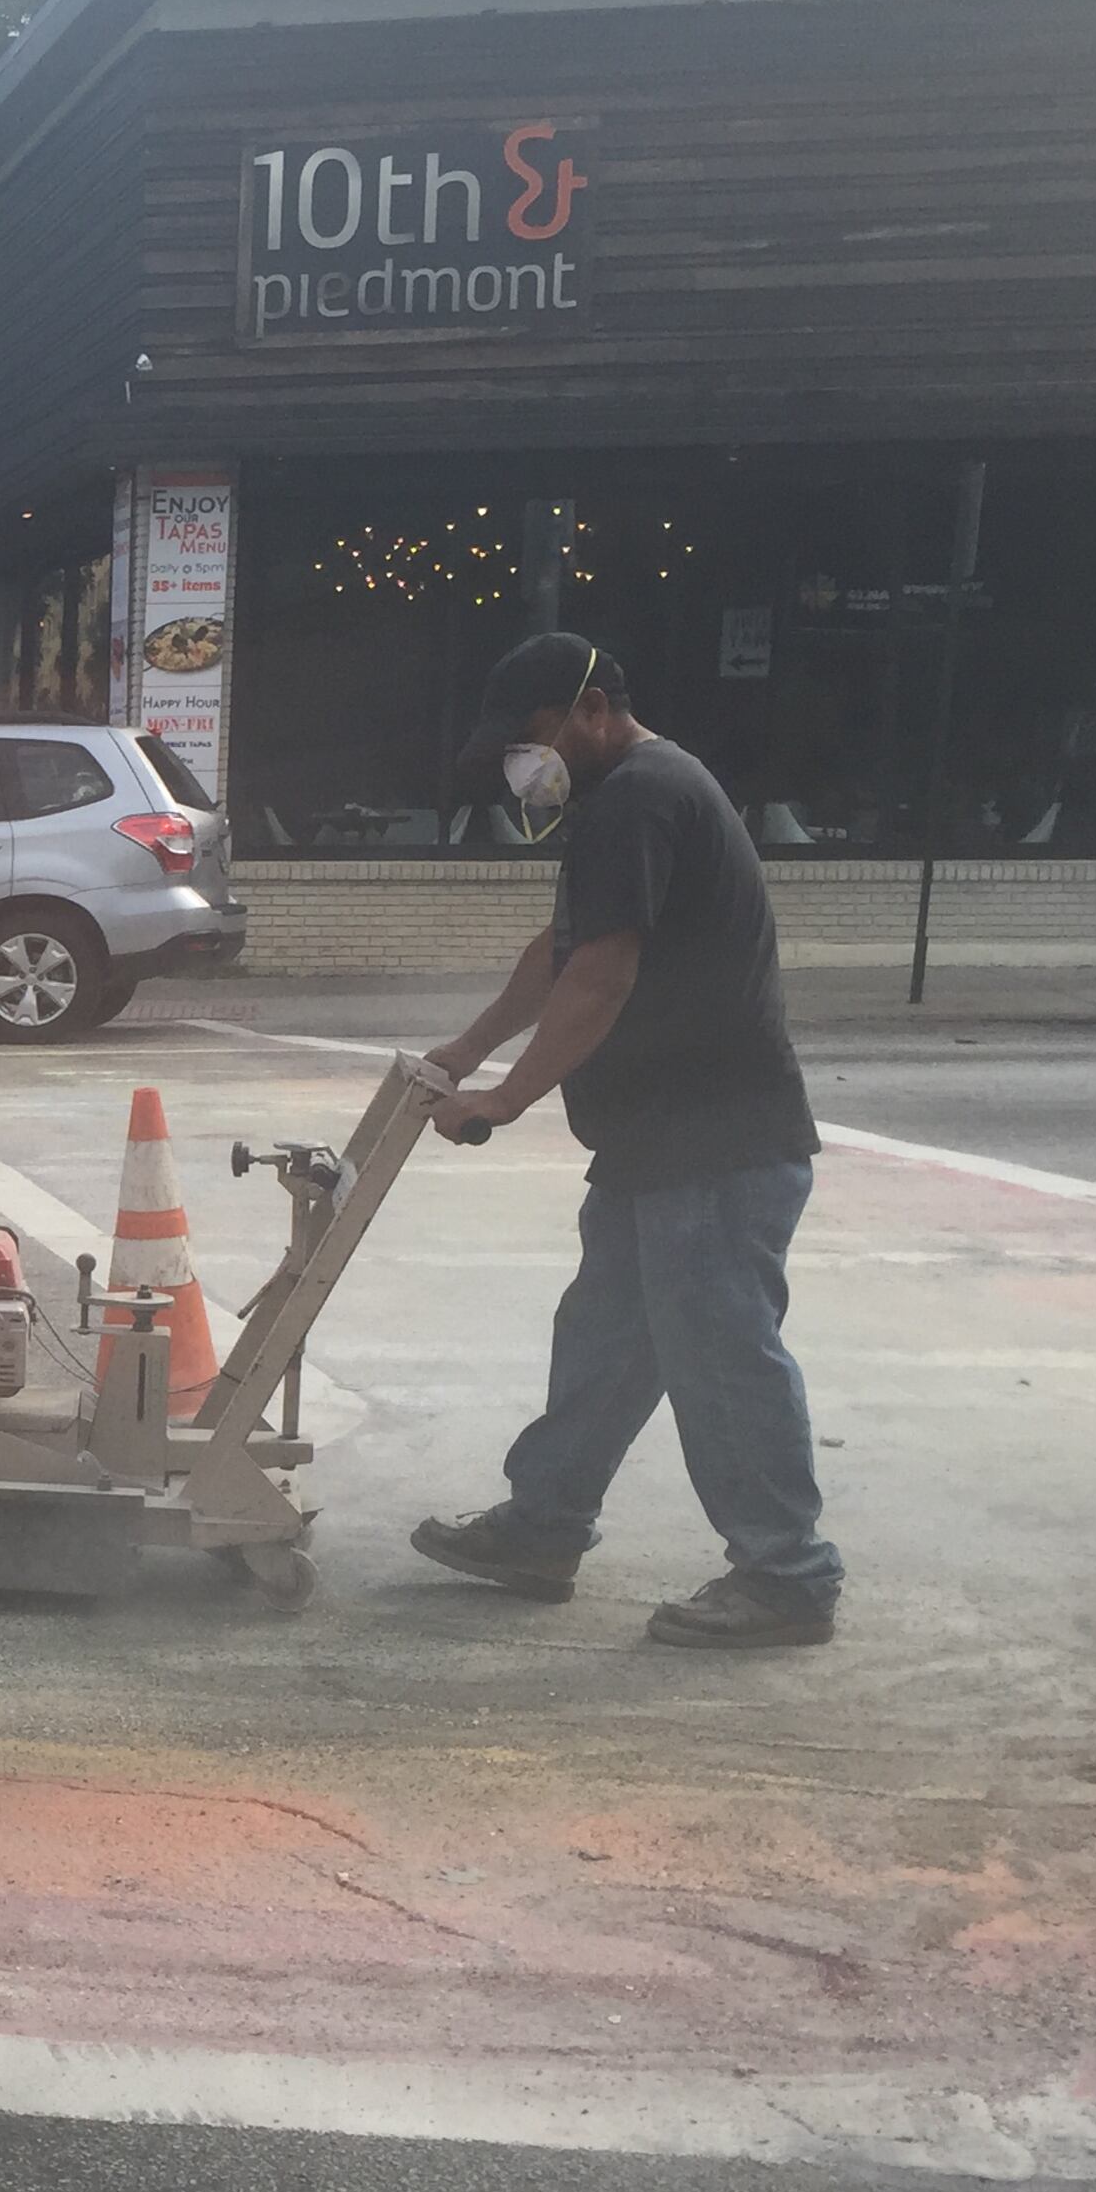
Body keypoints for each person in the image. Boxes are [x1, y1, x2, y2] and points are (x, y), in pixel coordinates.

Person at [415, 631, 843, 1648]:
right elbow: (560, 949)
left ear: (594, 707)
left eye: (536, 739)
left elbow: (601, 978)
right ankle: (544, 1525)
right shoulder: (623, 801)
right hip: (664, 1139)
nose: (530, 763)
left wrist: (504, 1099)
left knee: (723, 1358)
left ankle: (787, 1576)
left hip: (717, 1142)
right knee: (607, 1338)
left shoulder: (643, 795)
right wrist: (469, 1046)